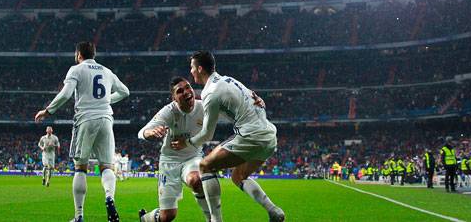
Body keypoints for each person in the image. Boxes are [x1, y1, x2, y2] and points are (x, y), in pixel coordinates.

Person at [171, 51, 285, 222]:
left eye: (192, 68)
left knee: (205, 166)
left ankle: (216, 220)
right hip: (269, 135)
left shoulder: (210, 92)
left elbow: (207, 134)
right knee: (238, 176)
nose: (191, 71)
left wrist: (186, 143)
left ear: (200, 69)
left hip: (251, 136)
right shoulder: (229, 80)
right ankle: (274, 212)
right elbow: (256, 100)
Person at [35, 41, 130, 222]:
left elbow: (65, 94)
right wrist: (106, 101)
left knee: (80, 168)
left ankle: (79, 215)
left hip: (85, 119)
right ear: (94, 54)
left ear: (78, 54)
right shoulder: (106, 71)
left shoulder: (76, 69)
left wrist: (48, 110)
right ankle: (109, 197)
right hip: (106, 119)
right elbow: (125, 91)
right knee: (107, 166)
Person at [137, 77, 212, 222]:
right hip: (169, 162)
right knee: (168, 216)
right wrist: (150, 133)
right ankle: (145, 219)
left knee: (196, 179)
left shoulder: (204, 107)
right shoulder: (168, 111)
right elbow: (142, 132)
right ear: (174, 98)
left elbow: (231, 110)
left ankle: (212, 219)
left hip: (193, 157)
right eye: (180, 91)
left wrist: (252, 102)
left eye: (188, 87)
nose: (186, 92)